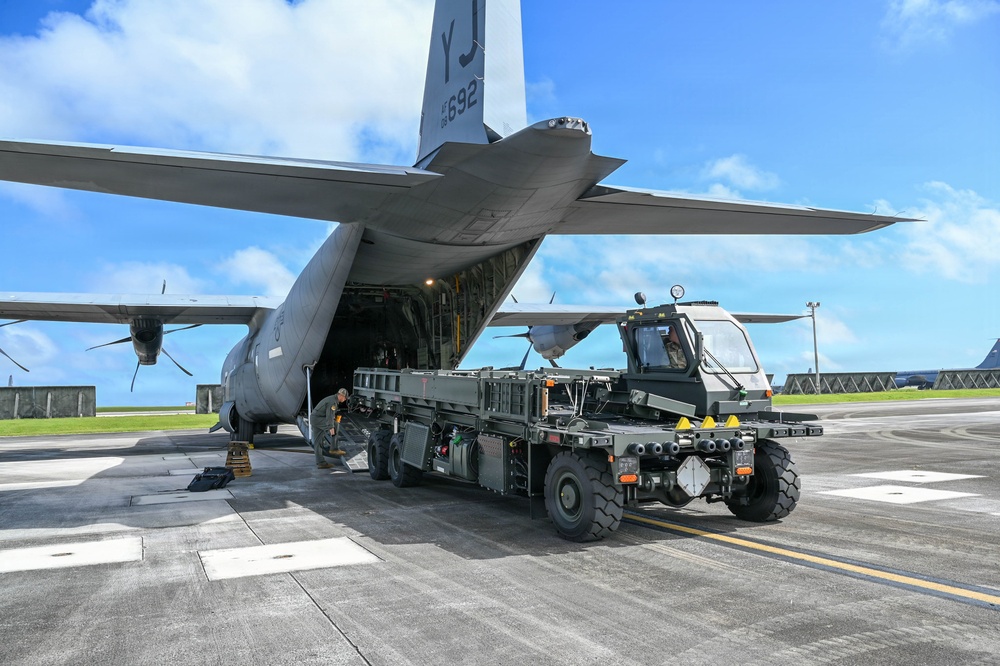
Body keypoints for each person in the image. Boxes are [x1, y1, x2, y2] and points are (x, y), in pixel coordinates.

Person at [310, 388, 349, 468]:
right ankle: (334, 448)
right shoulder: (333, 402)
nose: (345, 400)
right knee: (335, 424)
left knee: (318, 442)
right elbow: (329, 416)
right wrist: (331, 427)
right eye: (345, 398)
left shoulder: (332, 399)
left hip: (315, 419)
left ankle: (321, 463)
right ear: (341, 395)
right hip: (318, 419)